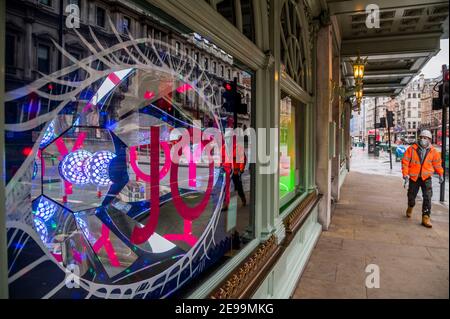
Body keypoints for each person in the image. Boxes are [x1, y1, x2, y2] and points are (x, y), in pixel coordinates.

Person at [401, 130, 444, 228]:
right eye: (422, 137)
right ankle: (410, 206)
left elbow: (437, 164)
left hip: (426, 178)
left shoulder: (434, 152)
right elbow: (405, 162)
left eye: (426, 138)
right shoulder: (411, 149)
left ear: (429, 140)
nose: (423, 139)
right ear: (419, 138)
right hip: (414, 178)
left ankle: (426, 217)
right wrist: (405, 174)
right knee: (411, 196)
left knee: (428, 197)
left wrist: (441, 174)